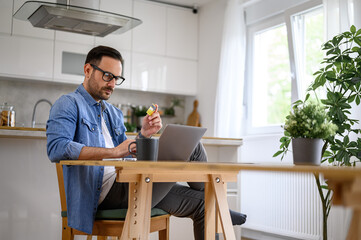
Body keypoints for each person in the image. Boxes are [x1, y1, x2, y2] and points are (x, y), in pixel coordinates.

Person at [46, 45, 246, 239]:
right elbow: (57, 148)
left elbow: (127, 151)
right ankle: (221, 206)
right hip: (105, 193)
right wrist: (113, 152)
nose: (113, 84)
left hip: (133, 183)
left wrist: (144, 135)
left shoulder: (113, 113)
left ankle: (217, 204)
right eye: (108, 76)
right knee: (193, 151)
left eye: (117, 78)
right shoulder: (68, 104)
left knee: (203, 204)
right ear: (87, 70)